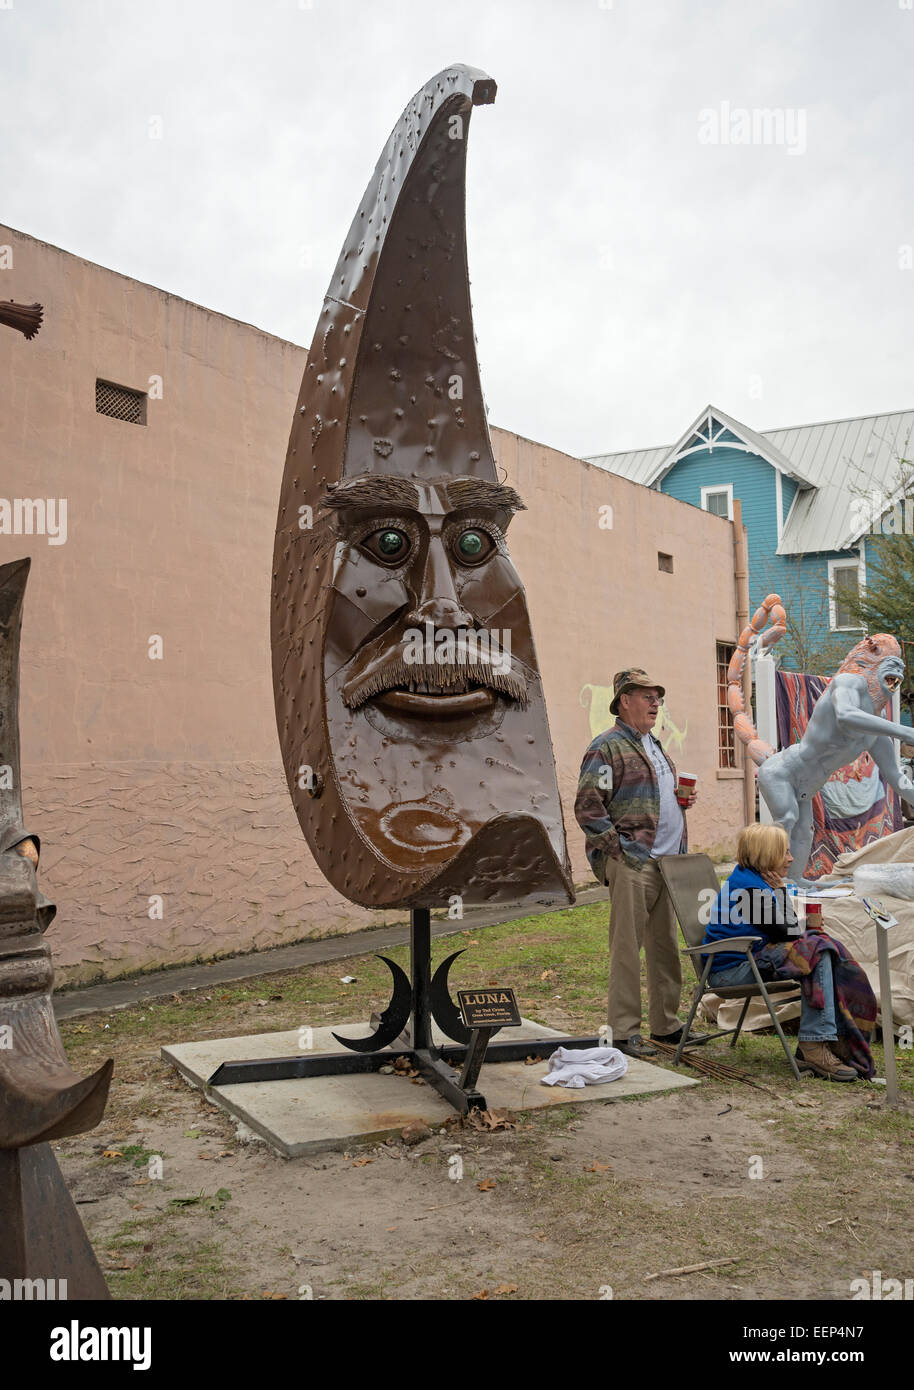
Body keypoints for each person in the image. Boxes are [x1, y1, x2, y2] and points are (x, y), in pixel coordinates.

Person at [574, 668, 698, 1058]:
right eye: (647, 696)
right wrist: (620, 850)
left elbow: (649, 797)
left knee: (665, 946)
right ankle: (625, 1031)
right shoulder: (607, 747)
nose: (655, 703)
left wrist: (680, 802)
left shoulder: (654, 744)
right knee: (628, 947)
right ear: (624, 700)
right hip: (633, 862)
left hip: (667, 863)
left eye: (657, 697)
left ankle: (666, 1024)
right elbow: (588, 806)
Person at [702, 823, 877, 1080]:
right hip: (731, 971)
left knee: (821, 950)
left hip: (751, 958)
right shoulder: (748, 890)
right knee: (817, 951)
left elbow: (787, 929)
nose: (790, 858)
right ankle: (815, 1045)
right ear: (767, 854)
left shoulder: (752, 880)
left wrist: (780, 895)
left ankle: (828, 1039)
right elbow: (789, 932)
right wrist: (782, 892)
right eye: (784, 852)